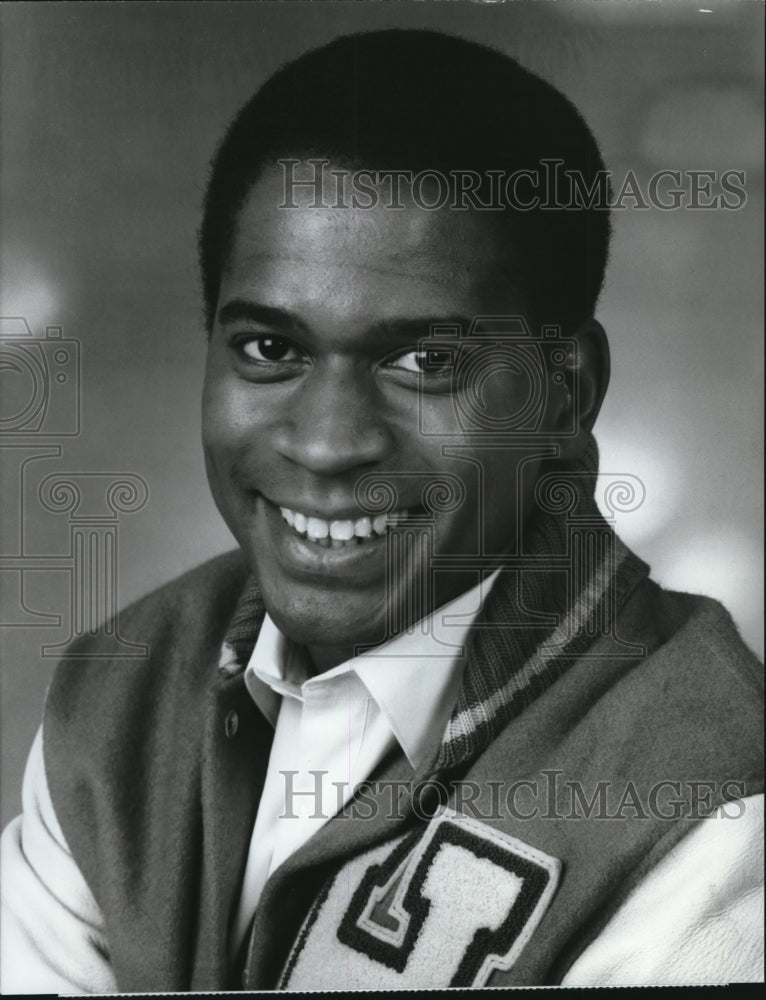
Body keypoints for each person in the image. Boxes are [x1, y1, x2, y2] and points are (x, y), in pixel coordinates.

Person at [1, 29, 762, 992]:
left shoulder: (709, 798)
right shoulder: (120, 697)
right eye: (270, 350)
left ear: (565, 398)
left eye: (426, 362)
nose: (325, 444)